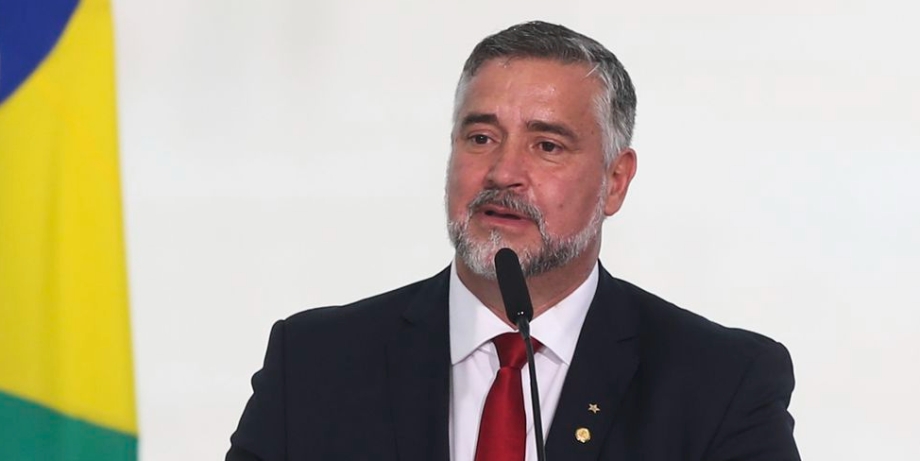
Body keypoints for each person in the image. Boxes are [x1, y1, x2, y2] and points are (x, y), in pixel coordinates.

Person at [227, 21, 800, 461]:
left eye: (547, 146)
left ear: (615, 181)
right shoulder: (315, 362)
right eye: (481, 137)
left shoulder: (721, 382)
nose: (503, 172)